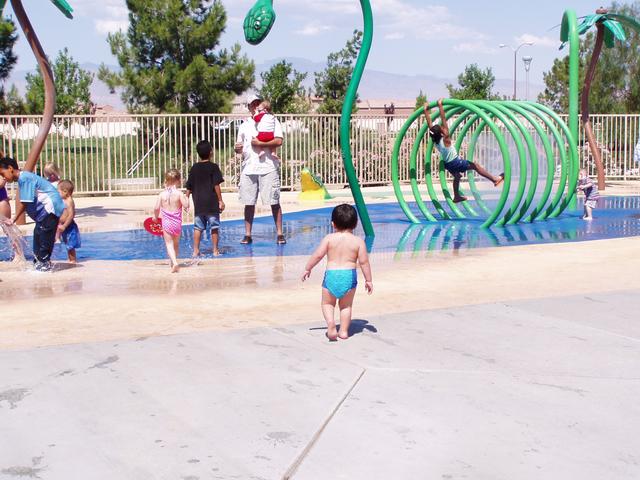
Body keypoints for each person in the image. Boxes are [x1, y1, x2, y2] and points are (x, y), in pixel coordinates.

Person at [302, 204, 373, 341]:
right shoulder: (358, 242)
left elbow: (318, 255)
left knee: (327, 304)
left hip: (331, 276)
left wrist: (308, 268)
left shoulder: (329, 238)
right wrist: (368, 280)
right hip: (348, 276)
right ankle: (344, 331)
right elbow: (364, 262)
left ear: (333, 224)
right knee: (346, 306)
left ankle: (331, 323)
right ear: (355, 224)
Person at [424, 99, 503, 203]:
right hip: (455, 162)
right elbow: (443, 119)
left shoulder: (435, 140)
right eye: (441, 128)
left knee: (457, 176)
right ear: (442, 133)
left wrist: (426, 111)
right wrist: (440, 106)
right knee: (475, 166)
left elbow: (430, 126)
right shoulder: (446, 138)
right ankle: (494, 179)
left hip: (448, 164)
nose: (443, 128)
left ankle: (456, 196)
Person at [235, 93, 286, 245]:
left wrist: (260, 144)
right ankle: (248, 234)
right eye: (253, 104)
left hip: (268, 167)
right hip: (249, 168)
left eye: (258, 102)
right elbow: (238, 147)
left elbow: (279, 141)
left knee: (274, 201)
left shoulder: (271, 119)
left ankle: (280, 234)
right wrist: (237, 149)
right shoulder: (244, 125)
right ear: (249, 107)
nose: (256, 106)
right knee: (249, 202)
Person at [0, 156, 65, 271]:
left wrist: (14, 219)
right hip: (44, 215)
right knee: (38, 241)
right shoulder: (23, 178)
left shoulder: (24, 178)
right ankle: (40, 265)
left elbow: (25, 201)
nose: (3, 177)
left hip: (50, 211)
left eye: (2, 173)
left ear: (10, 168)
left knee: (44, 243)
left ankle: (44, 267)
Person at [185, 140, 225, 257]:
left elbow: (189, 185)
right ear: (211, 152)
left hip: (199, 204)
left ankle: (195, 250)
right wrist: (220, 200)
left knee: (198, 227)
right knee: (214, 227)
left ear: (198, 153)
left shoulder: (194, 168)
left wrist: (186, 198)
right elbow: (216, 185)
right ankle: (215, 250)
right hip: (211, 204)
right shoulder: (213, 167)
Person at [154, 168, 189, 273]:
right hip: (177, 223)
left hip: (167, 223)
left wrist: (155, 217)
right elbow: (186, 205)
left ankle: (174, 263)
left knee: (169, 244)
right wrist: (187, 199)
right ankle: (173, 262)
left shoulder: (162, 194)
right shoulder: (179, 194)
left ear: (166, 180)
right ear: (178, 181)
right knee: (176, 244)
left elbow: (156, 208)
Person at [56, 180, 81, 263]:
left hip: (69, 226)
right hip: (63, 225)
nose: (57, 193)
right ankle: (70, 258)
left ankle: (73, 260)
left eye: (58, 191)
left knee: (70, 244)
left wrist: (65, 225)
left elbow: (71, 215)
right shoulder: (62, 200)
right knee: (66, 242)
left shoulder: (69, 201)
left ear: (65, 192)